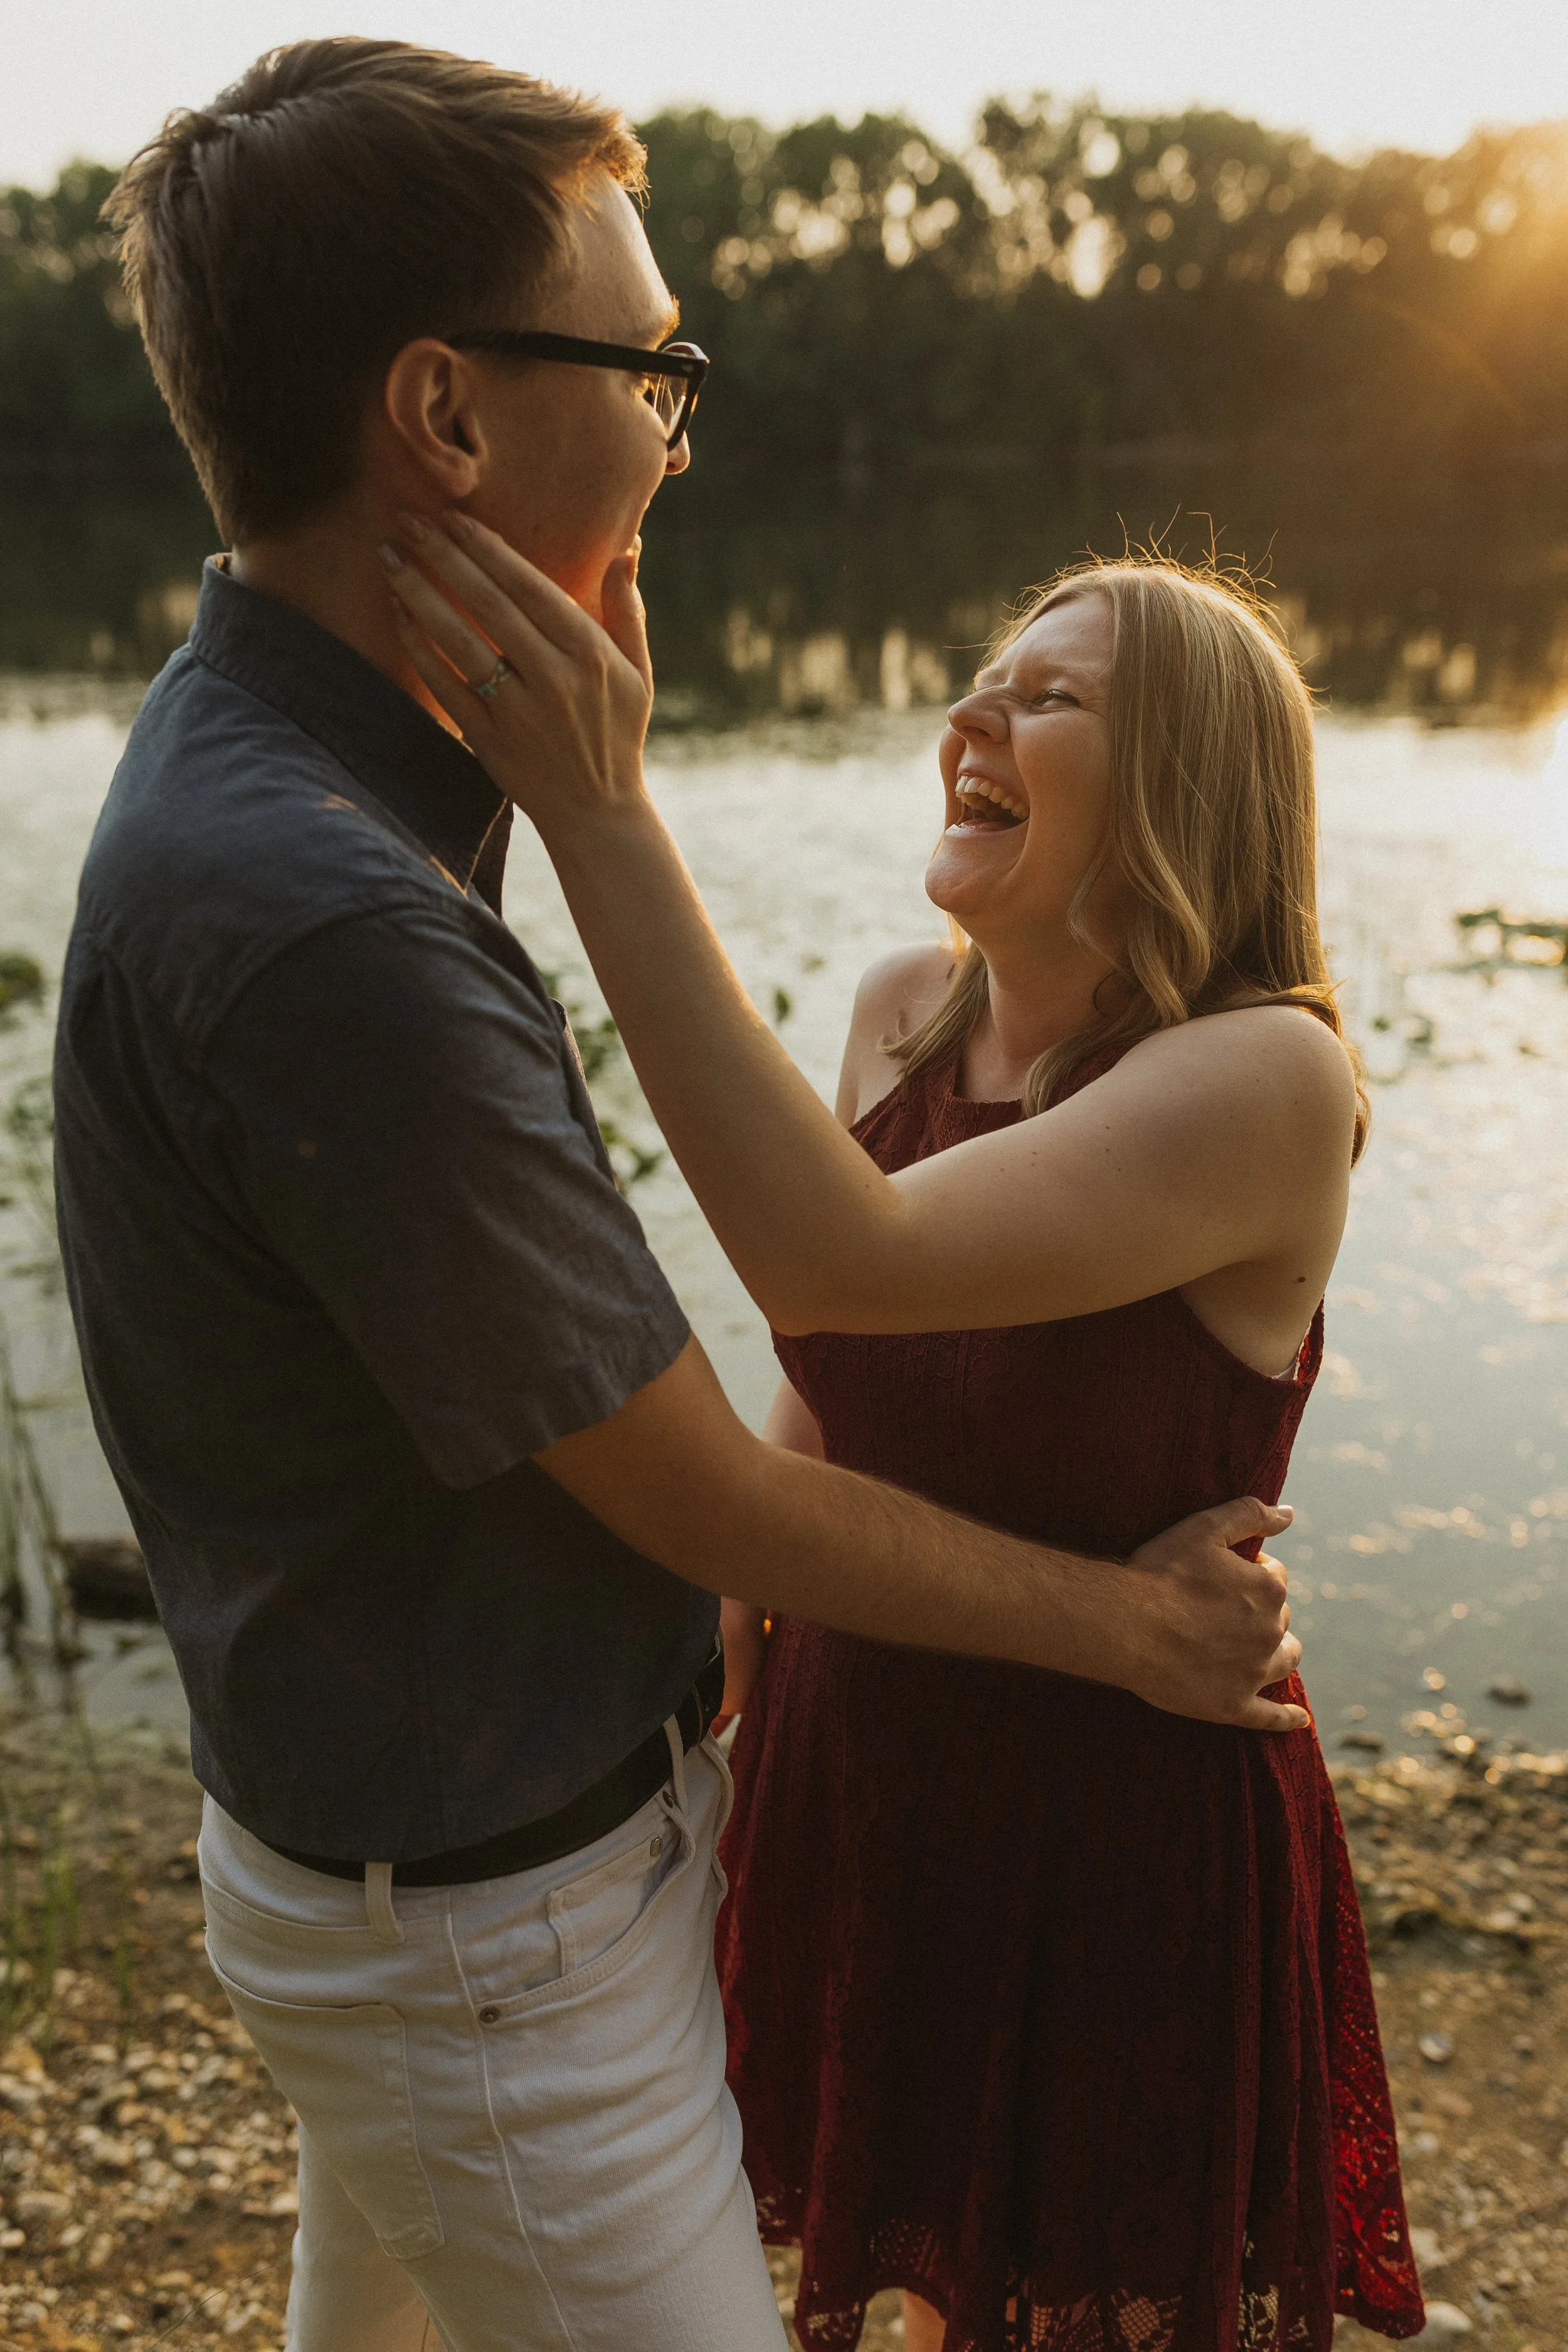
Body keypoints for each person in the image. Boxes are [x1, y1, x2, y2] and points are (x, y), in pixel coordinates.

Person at [53, 38, 1305, 2352]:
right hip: (487, 1939)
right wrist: (1139, 1632)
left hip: (435, 1857)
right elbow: (709, 1478)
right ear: (443, 416)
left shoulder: (274, 771)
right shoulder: (341, 914)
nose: (674, 425)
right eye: (650, 363)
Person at [380, 527, 1428, 2348]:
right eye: (979, 678)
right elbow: (834, 1373)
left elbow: (833, 1259)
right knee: (902, 2282)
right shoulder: (894, 1014)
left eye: (1049, 695)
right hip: (860, 1772)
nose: (971, 713)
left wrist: (599, 813)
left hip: (1107, 1824)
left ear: (1184, 774)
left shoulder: (1264, 1076)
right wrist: (727, 1631)